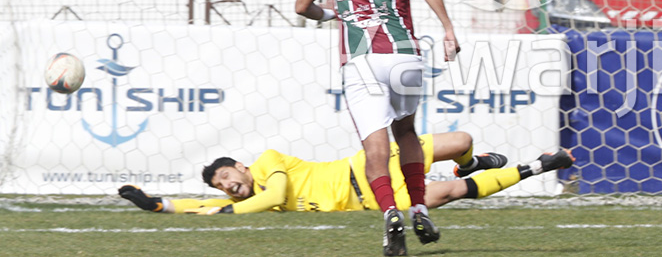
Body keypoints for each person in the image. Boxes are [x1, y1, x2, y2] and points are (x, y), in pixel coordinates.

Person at [293, 0, 460, 255]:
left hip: (361, 61)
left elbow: (302, 6)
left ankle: (390, 213)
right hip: (403, 54)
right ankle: (419, 206)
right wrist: (448, 28)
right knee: (407, 132)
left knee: (375, 149)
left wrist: (334, 15)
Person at [118, 132, 574, 217]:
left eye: (227, 178)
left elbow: (275, 195)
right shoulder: (238, 200)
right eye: (223, 189)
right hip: (371, 198)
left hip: (368, 164)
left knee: (460, 140)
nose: (229, 188)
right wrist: (157, 204)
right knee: (447, 193)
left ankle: (472, 161)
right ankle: (537, 166)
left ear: (240, 166)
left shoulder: (269, 161)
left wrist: (227, 210)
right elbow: (204, 207)